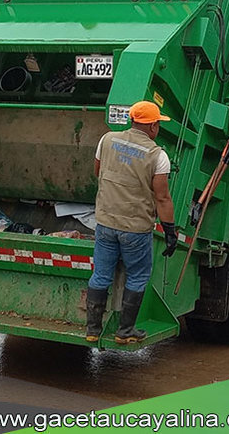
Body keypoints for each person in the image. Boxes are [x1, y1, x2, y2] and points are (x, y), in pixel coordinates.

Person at [86, 101, 178, 344]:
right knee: (137, 275)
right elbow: (162, 197)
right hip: (135, 229)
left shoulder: (107, 140)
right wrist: (170, 231)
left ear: (133, 120)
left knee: (101, 275)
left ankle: (93, 329)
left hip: (105, 222)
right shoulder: (157, 156)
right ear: (153, 126)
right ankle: (124, 331)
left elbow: (98, 171)